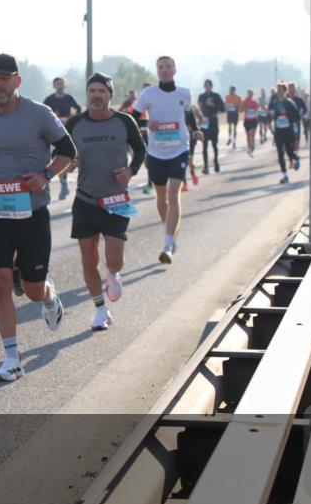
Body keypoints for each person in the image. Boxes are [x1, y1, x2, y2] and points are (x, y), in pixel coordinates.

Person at [0, 54, 76, 382]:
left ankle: (48, 295)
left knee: (33, 289)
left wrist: (46, 175)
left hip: (31, 213)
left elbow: (68, 150)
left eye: (3, 78)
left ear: (17, 81)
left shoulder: (39, 114)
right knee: (0, 282)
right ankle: (12, 357)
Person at [65, 73, 146, 331]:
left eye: (102, 91)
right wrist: (69, 163)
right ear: (87, 94)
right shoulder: (75, 123)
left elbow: (141, 149)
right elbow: (63, 154)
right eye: (92, 91)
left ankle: (113, 274)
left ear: (110, 95)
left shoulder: (125, 121)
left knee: (114, 259)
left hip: (116, 199)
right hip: (85, 200)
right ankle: (100, 310)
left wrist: (131, 171)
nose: (97, 95)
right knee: (88, 260)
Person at [132, 56, 202, 264]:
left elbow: (188, 116)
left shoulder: (184, 93)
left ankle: (168, 245)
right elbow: (132, 117)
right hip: (156, 152)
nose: (164, 70)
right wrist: (147, 123)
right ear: (157, 71)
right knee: (161, 196)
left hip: (179, 149)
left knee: (173, 195)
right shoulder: (148, 94)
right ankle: (170, 231)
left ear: (174, 70)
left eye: (168, 66)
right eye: (161, 67)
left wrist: (196, 130)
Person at [42, 77, 82, 200]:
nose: (60, 86)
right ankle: (63, 183)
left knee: (67, 155)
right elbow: (42, 113)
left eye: (61, 84)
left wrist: (72, 117)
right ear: (54, 86)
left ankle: (65, 183)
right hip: (54, 131)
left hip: (68, 130)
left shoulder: (69, 98)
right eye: (57, 84)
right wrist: (54, 117)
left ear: (65, 85)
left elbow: (78, 109)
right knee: (57, 157)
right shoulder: (49, 99)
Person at [268, 82, 302, 184]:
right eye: (278, 91)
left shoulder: (289, 102)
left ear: (285, 91)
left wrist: (287, 113)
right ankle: (285, 175)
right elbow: (270, 114)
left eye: (281, 91)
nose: (279, 93)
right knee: (280, 153)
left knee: (289, 151)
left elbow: (297, 115)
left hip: (288, 130)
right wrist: (270, 122)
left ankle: (296, 158)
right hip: (278, 131)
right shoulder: (274, 103)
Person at [197, 79, 224, 173]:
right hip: (204, 120)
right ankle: (206, 166)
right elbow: (199, 108)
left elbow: (222, 108)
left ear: (211, 86)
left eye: (209, 85)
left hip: (213, 120)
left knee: (214, 144)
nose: (207, 87)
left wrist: (213, 104)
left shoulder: (216, 96)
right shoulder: (201, 96)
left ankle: (216, 162)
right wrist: (204, 104)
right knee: (204, 144)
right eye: (206, 85)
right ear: (204, 86)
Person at [287, 82, 308, 149]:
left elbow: (305, 109)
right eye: (290, 89)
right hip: (286, 123)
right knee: (288, 140)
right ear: (288, 89)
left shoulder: (299, 99)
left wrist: (301, 115)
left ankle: (295, 151)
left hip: (295, 122)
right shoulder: (285, 99)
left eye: (292, 88)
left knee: (296, 139)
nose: (291, 90)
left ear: (295, 89)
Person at [241, 89, 260, 156]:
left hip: (253, 119)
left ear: (252, 94)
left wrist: (255, 110)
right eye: (249, 93)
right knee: (248, 134)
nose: (250, 94)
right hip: (247, 120)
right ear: (247, 94)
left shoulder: (255, 101)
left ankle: (252, 146)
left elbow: (258, 109)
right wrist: (245, 108)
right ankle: (249, 146)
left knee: (252, 133)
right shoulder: (245, 101)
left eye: (251, 93)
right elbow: (241, 109)